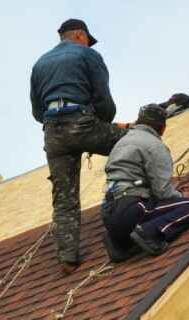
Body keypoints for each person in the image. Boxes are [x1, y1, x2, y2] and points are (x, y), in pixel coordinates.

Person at [30, 18, 127, 273]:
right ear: (81, 36)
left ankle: (67, 258)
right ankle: (142, 201)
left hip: (53, 133)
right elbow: (104, 100)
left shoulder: (40, 64)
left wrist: (58, 123)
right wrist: (102, 126)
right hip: (82, 121)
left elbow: (37, 111)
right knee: (132, 142)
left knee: (64, 198)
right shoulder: (87, 54)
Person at [101, 104, 189, 262]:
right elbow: (163, 192)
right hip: (133, 209)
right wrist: (182, 196)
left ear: (139, 122)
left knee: (146, 207)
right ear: (163, 128)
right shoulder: (155, 146)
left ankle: (119, 242)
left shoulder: (121, 143)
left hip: (109, 215)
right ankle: (150, 232)